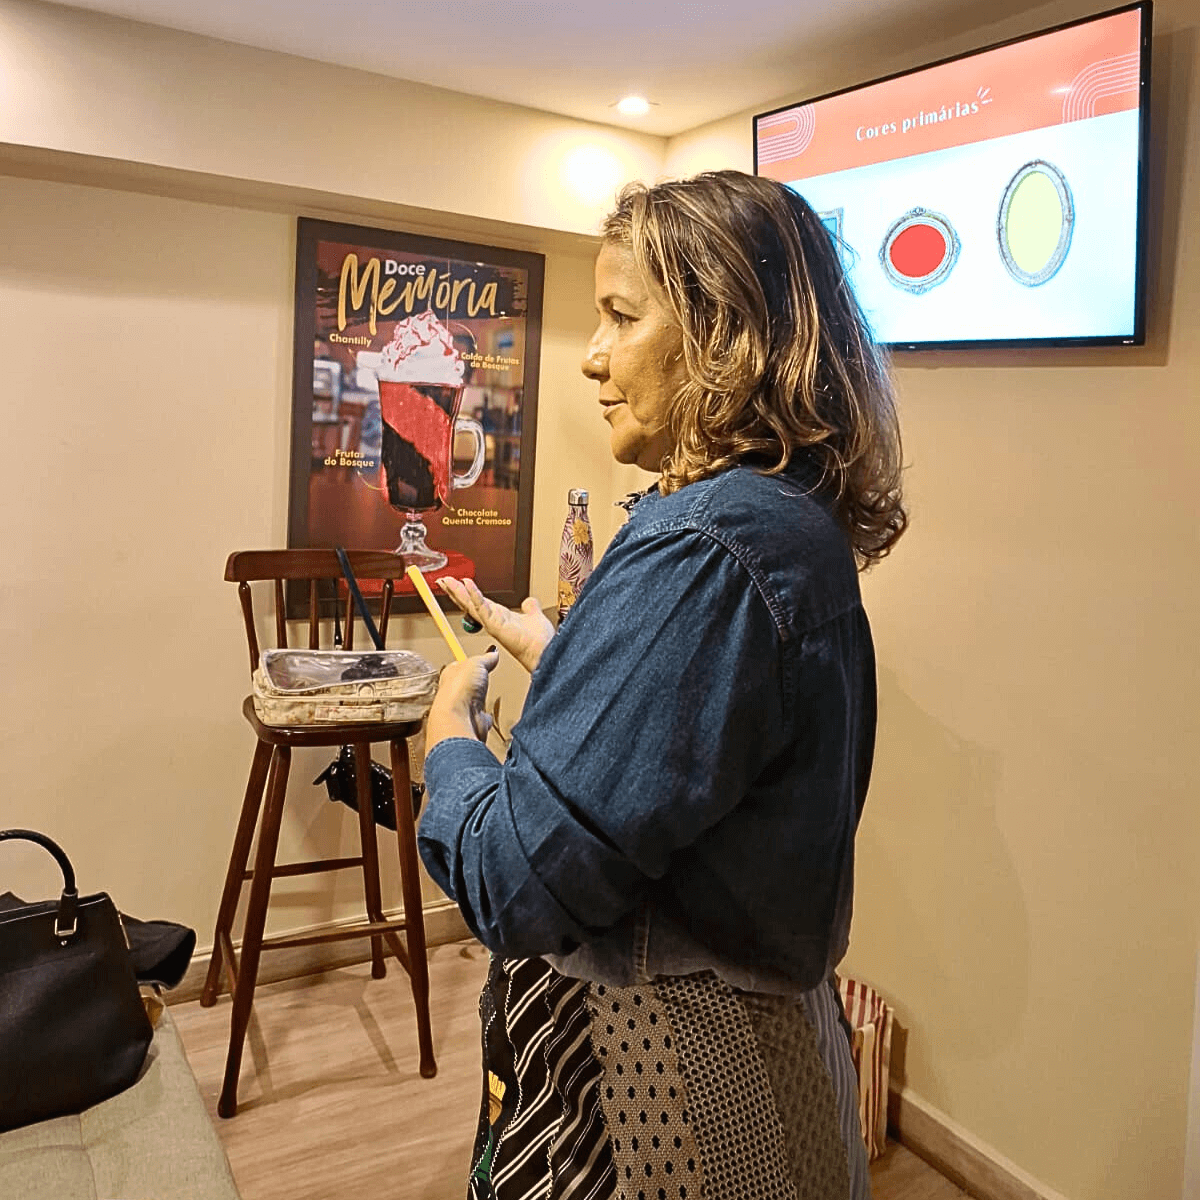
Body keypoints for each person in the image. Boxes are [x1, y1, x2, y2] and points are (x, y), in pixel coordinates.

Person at [418, 169, 907, 1200]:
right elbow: (708, 756)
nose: (592, 358)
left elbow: (516, 878)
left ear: (723, 336)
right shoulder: (784, 525)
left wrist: (448, 747)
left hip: (664, 1099)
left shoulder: (706, 550)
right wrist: (570, 660)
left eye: (620, 317)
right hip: (775, 1075)